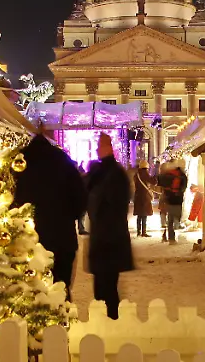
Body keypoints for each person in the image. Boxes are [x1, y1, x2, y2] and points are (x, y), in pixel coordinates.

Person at [13, 130, 86, 301]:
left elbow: (11, 197)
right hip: (62, 234)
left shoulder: (20, 162)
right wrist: (69, 216)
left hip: (28, 237)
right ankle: (63, 318)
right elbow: (81, 197)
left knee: (30, 286)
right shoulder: (62, 160)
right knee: (61, 284)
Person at [86, 133, 133, 319]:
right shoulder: (109, 172)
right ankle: (109, 317)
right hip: (108, 236)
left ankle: (110, 318)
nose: (97, 150)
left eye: (99, 147)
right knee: (105, 283)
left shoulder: (109, 173)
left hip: (108, 237)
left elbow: (111, 202)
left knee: (106, 285)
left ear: (107, 149)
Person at [157, 162, 187, 243]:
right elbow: (184, 188)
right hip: (178, 200)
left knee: (170, 220)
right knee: (177, 217)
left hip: (169, 200)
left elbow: (159, 180)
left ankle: (171, 238)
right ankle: (176, 226)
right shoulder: (182, 176)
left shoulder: (168, 175)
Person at [131, 164, 156, 237]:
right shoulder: (145, 173)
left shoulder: (136, 175)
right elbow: (153, 182)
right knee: (144, 214)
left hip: (138, 196)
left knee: (139, 215)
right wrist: (154, 177)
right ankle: (143, 232)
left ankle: (138, 232)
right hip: (144, 197)